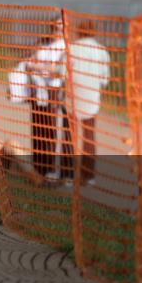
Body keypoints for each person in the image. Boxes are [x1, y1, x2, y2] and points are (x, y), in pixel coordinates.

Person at [26, 17, 73, 182]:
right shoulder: (43, 44)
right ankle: (39, 168)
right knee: (39, 129)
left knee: (53, 132)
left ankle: (54, 169)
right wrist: (35, 67)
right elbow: (29, 62)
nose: (58, 31)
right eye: (55, 28)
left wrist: (39, 66)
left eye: (61, 28)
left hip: (55, 92)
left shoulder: (66, 47)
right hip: (38, 91)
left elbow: (58, 71)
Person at [67, 20, 111, 186]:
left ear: (79, 31)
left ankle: (69, 173)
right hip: (91, 98)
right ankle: (89, 175)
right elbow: (104, 79)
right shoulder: (101, 51)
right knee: (89, 136)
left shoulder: (72, 48)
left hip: (72, 96)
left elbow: (63, 72)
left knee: (70, 135)